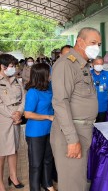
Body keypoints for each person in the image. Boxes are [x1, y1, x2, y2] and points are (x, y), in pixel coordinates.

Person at [50, 27, 100, 191]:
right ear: (80, 41)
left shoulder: (83, 65)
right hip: (71, 133)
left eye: (99, 44)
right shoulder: (67, 64)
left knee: (78, 180)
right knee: (72, 185)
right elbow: (60, 102)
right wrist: (72, 140)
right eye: (93, 43)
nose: (97, 47)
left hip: (83, 129)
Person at [24, 63, 55, 191]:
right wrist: (48, 117)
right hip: (35, 133)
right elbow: (28, 114)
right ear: (43, 75)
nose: (51, 75)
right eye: (49, 73)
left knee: (48, 160)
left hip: (49, 130)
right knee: (36, 164)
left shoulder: (48, 88)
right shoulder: (32, 92)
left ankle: (48, 185)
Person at [0, 54, 25, 190]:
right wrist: (13, 115)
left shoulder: (16, 80)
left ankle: (13, 176)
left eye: (14, 66)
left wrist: (19, 112)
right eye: (11, 66)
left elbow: (23, 97)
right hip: (3, 120)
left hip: (16, 118)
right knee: (2, 152)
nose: (13, 68)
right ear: (2, 67)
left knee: (13, 149)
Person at [90, 56, 108, 122]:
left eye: (101, 64)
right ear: (92, 64)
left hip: (102, 106)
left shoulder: (107, 75)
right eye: (97, 63)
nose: (99, 65)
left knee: (101, 126)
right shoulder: (88, 75)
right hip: (90, 106)